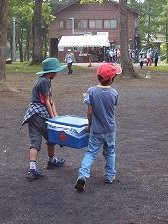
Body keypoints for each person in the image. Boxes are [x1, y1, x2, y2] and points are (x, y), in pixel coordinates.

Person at [75, 62, 122, 192]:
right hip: (110, 129)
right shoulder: (114, 93)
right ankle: (110, 176)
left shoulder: (91, 91)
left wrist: (89, 125)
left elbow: (89, 112)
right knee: (110, 152)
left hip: (96, 130)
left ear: (98, 77)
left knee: (90, 153)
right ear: (112, 79)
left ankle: (83, 175)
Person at [22, 58, 66, 180]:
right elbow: (47, 102)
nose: (57, 74)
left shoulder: (43, 80)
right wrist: (53, 118)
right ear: (51, 72)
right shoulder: (45, 82)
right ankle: (51, 161)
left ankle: (32, 168)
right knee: (52, 136)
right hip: (40, 113)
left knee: (35, 141)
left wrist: (56, 116)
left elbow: (51, 101)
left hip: (32, 115)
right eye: (56, 71)